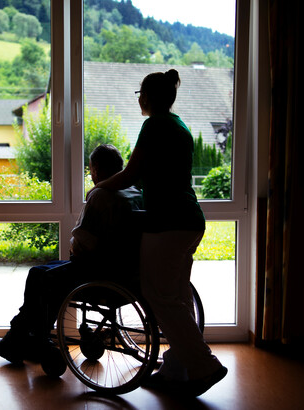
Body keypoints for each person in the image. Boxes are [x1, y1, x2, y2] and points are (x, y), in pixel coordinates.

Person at [95, 70, 227, 397]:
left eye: (140, 93)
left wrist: (98, 188)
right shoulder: (180, 126)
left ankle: (205, 365)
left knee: (160, 297)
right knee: (178, 298)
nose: (138, 99)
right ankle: (176, 369)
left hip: (167, 223)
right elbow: (155, 175)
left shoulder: (154, 125)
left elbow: (130, 174)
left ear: (149, 97)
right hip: (190, 220)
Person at [0, 144, 142, 364]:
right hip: (127, 273)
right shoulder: (134, 193)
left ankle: (30, 338)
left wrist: (74, 249)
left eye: (91, 169)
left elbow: (83, 243)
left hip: (99, 274)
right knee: (46, 271)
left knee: (40, 276)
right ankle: (21, 337)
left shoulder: (101, 195)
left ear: (97, 169)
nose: (91, 174)